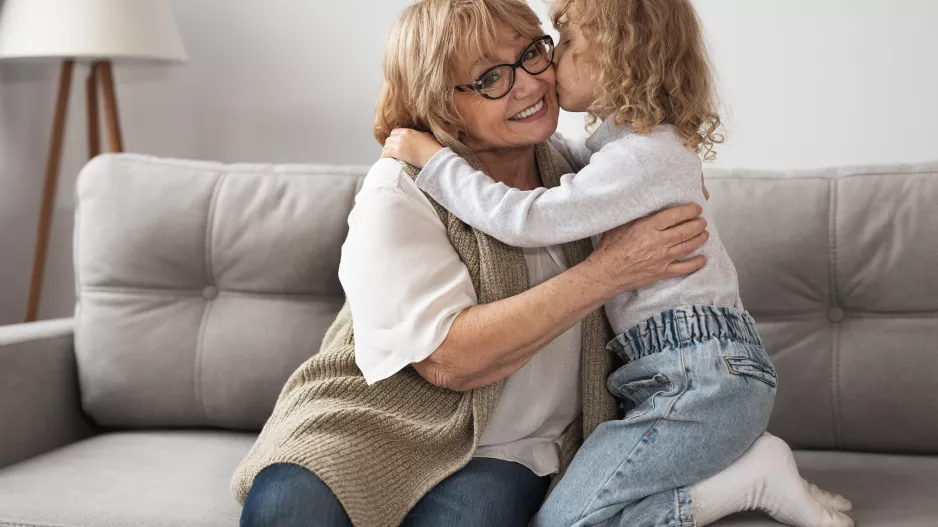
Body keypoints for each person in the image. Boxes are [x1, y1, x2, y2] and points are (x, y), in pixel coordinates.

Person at [233, 1, 845, 526]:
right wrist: (611, 269)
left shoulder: (576, 169)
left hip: (527, 442)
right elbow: (450, 360)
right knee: (291, 505)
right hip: (391, 417)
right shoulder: (405, 189)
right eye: (491, 78)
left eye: (532, 53)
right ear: (439, 102)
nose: (529, 83)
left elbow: (608, 183)